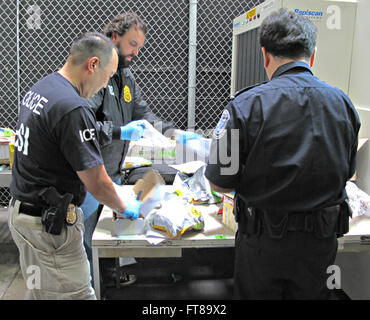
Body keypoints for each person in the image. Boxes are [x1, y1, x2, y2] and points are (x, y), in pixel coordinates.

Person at [205, 8, 361, 300]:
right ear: (313, 55)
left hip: (263, 245)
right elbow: (348, 173)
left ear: (264, 56)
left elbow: (219, 181)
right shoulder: (344, 105)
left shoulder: (242, 107)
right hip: (321, 245)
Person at [8, 32, 145, 300]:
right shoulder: (74, 107)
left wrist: (118, 133)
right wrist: (125, 207)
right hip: (48, 227)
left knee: (43, 290)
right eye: (107, 77)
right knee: (76, 294)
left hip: (24, 215)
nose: (105, 86)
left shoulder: (43, 88)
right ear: (92, 65)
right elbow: (97, 183)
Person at [81, 12, 200, 288]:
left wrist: (173, 132)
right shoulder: (99, 74)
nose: (136, 51)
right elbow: (84, 123)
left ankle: (110, 280)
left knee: (111, 233)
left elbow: (142, 112)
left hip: (114, 170)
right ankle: (90, 287)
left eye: (139, 46)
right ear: (114, 38)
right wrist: (119, 131)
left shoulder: (126, 76)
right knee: (88, 238)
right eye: (132, 44)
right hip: (91, 174)